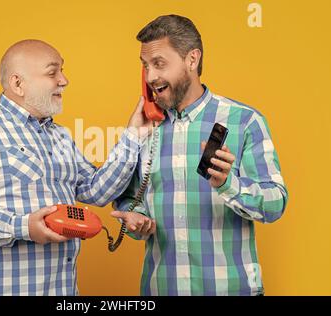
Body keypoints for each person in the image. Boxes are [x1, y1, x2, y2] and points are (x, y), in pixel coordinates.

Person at [0, 39, 153, 295]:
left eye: (62, 70)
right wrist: (23, 227)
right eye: (53, 72)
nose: (64, 80)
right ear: (18, 84)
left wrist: (133, 136)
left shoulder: (59, 136)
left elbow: (97, 191)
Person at [112, 15, 288, 296]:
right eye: (145, 66)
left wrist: (229, 185)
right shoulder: (145, 127)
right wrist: (136, 220)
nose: (150, 77)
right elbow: (130, 199)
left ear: (192, 60)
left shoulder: (244, 121)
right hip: (161, 289)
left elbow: (275, 203)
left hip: (229, 289)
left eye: (159, 63)